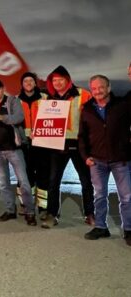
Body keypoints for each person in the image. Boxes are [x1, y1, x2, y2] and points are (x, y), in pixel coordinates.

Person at [78, 75, 131, 246]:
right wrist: (86, 157)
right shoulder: (87, 110)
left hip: (120, 159)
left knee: (127, 197)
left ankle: (128, 229)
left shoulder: (122, 105)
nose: (98, 91)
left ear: (108, 88)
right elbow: (82, 136)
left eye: (101, 87)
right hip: (97, 161)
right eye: (94, 88)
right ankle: (101, 227)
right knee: (99, 195)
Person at [42, 65, 94, 229]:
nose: (57, 83)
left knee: (86, 181)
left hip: (80, 145)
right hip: (58, 146)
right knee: (53, 181)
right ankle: (52, 213)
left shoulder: (83, 94)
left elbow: (93, 118)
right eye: (54, 80)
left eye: (60, 79)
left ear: (68, 79)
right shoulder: (49, 99)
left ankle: (90, 213)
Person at [0, 80, 36, 226]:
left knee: (24, 182)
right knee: (4, 183)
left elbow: (19, 117)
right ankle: (10, 210)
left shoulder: (12, 101)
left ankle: (30, 212)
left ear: (2, 89)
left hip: (14, 149)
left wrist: (2, 117)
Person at [17, 72, 49, 218]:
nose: (28, 83)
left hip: (42, 143)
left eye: (31, 80)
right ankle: (25, 204)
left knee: (43, 175)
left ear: (35, 83)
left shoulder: (45, 99)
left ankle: (43, 207)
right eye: (25, 81)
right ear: (22, 84)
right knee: (24, 176)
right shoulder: (15, 100)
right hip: (23, 144)